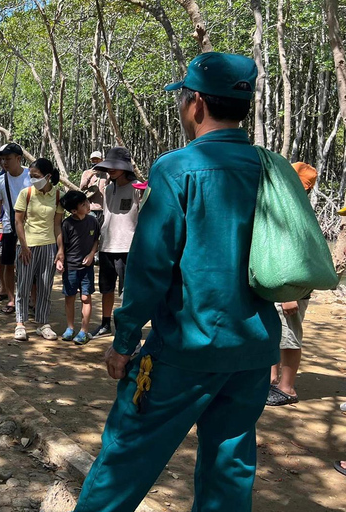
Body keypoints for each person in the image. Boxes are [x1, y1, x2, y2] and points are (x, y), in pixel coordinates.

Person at [73, 52, 281, 512]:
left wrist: (123, 341)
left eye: (183, 98)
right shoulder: (268, 167)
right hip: (253, 350)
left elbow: (149, 269)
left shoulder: (177, 169)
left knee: (126, 457)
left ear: (197, 105)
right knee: (229, 472)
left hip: (187, 347)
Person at [266, 161, 318, 407]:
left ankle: (287, 388)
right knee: (276, 332)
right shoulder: (288, 207)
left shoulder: (298, 212)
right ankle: (273, 379)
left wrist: (289, 295)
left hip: (292, 287)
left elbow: (298, 256)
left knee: (288, 336)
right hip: (281, 284)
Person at [12, 158, 64, 341]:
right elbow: (18, 221)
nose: (33, 179)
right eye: (31, 176)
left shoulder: (58, 195)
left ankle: (42, 323)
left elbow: (57, 224)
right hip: (27, 246)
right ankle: (20, 323)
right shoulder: (25, 193)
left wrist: (60, 250)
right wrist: (24, 246)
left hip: (48, 246)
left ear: (48, 176)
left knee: (45, 286)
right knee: (24, 285)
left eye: (36, 176)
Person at [92, 147, 140, 338]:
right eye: (109, 166)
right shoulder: (108, 188)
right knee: (106, 288)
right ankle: (105, 324)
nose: (110, 169)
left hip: (129, 246)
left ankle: (126, 328)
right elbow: (106, 216)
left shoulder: (138, 188)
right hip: (107, 245)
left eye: (115, 166)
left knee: (127, 290)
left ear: (126, 167)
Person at [0, 143, 31, 315]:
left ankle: (31, 299)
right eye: (2, 159)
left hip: (31, 228)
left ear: (18, 159)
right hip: (9, 227)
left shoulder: (31, 176)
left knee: (29, 264)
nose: (5, 162)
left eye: (8, 158)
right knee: (7, 263)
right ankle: (12, 299)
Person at [58, 190, 100, 345]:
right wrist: (60, 261)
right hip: (70, 267)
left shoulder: (93, 221)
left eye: (87, 202)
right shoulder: (67, 224)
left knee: (86, 298)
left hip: (86, 268)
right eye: (83, 204)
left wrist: (91, 254)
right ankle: (70, 328)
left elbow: (96, 240)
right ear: (74, 210)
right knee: (70, 297)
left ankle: (84, 330)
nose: (88, 205)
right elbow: (62, 246)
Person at [80, 150, 108, 226]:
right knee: (91, 231)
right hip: (90, 208)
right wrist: (89, 176)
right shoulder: (86, 173)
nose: (95, 161)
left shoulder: (107, 174)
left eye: (97, 159)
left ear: (102, 160)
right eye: (93, 159)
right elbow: (82, 187)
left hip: (104, 209)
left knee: (102, 232)